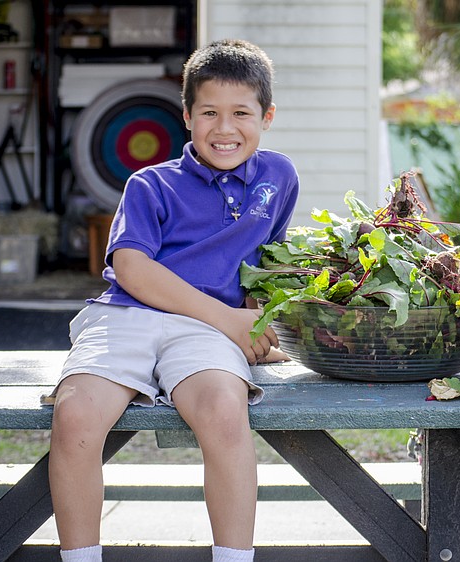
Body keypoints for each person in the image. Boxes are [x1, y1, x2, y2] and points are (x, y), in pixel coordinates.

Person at [48, 39, 299, 562]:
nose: (224, 128)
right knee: (75, 415)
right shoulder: (150, 184)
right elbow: (131, 267)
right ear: (186, 116)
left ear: (267, 116)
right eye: (209, 112)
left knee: (225, 413)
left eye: (240, 114)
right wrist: (229, 321)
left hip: (207, 334)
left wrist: (256, 321)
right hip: (128, 317)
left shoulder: (279, 178)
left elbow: (263, 261)